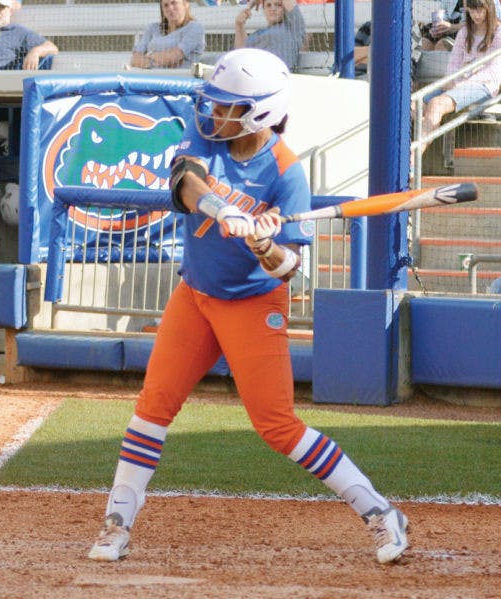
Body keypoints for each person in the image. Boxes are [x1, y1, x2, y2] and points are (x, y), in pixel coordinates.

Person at [87, 48, 409, 566]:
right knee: (152, 407)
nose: (214, 115)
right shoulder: (202, 142)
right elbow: (185, 182)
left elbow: (290, 268)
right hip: (195, 296)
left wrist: (265, 245)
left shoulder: (287, 173)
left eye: (227, 107)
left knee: (277, 425)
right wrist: (224, 208)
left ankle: (378, 511)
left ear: (258, 111)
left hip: (253, 305)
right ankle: (117, 522)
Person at [420, 0, 501, 154]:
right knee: (412, 106)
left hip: (483, 87)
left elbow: (492, 73)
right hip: (459, 83)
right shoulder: (464, 33)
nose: (477, 14)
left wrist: (460, 81)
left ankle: (413, 158)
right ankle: (422, 136)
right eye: (472, 9)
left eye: (480, 9)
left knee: (436, 105)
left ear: (489, 8)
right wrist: (451, 80)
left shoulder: (498, 32)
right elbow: (453, 65)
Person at [130, 0, 205, 70]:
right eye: (166, 5)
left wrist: (148, 56)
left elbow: (174, 56)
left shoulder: (195, 28)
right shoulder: (153, 28)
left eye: (174, 3)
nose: (170, 8)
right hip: (151, 79)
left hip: (179, 80)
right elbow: (134, 60)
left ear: (185, 3)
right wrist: (158, 62)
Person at [234, 0, 306, 71]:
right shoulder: (258, 33)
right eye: (268, 5)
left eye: (278, 5)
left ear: (284, 8)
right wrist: (239, 24)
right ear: (264, 10)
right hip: (258, 76)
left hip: (281, 76)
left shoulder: (293, 27)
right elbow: (241, 52)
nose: (273, 8)